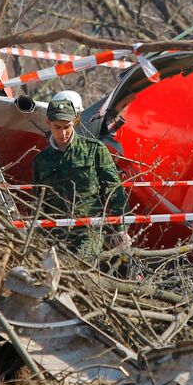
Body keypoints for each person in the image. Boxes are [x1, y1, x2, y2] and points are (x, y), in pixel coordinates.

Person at [31, 95, 125, 262]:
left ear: (74, 122)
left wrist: (121, 229)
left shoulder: (94, 150)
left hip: (90, 231)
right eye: (57, 127)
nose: (63, 133)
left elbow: (114, 190)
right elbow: (39, 202)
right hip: (55, 234)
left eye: (67, 126)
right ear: (48, 124)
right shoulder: (41, 160)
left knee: (78, 266)